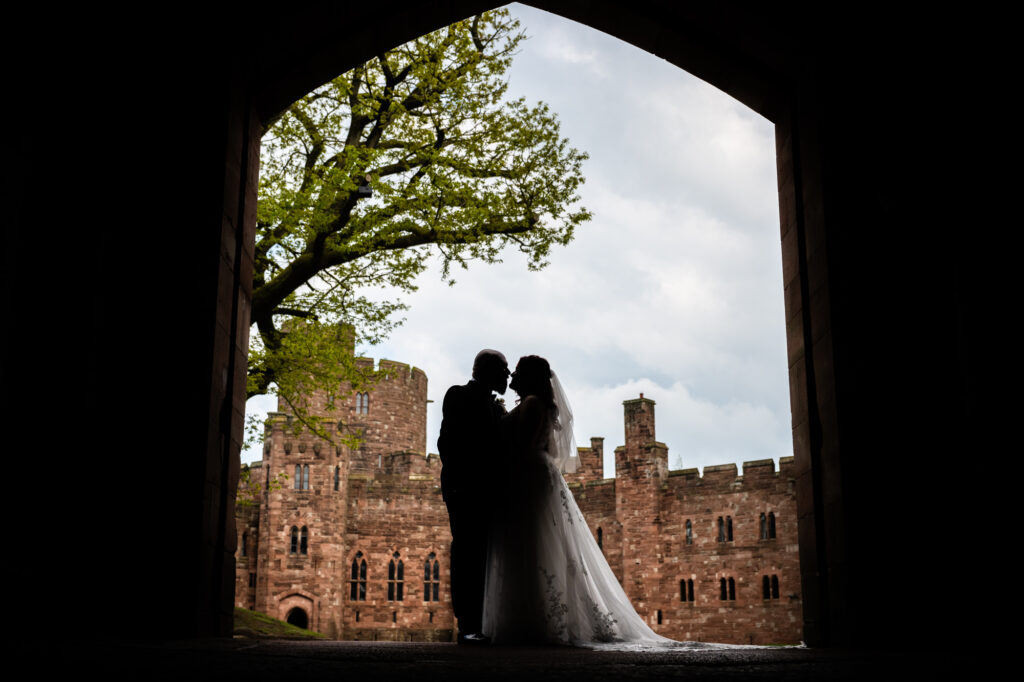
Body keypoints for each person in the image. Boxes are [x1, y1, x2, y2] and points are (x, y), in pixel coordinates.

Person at [482, 355, 674, 648]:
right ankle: (534, 619)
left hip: (526, 476)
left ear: (529, 377)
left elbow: (522, 446)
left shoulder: (532, 404)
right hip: (534, 475)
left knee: (528, 546)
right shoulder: (537, 404)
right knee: (535, 547)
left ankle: (530, 622)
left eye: (518, 372)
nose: (512, 376)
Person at [437, 349, 510, 645]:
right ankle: (467, 624)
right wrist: (463, 483)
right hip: (465, 490)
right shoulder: (458, 395)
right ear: (488, 371)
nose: (508, 376)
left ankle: (481, 621)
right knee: (467, 553)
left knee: (482, 555)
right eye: (504, 369)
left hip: (489, 493)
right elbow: (448, 443)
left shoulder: (495, 406)